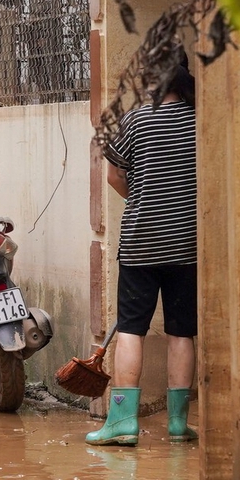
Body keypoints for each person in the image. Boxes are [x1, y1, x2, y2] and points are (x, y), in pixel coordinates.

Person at [86, 54, 198, 446]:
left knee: (132, 329)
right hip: (188, 244)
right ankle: (179, 424)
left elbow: (115, 172)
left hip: (141, 242)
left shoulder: (136, 120)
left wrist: (141, 197)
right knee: (182, 331)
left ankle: (122, 423)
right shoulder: (200, 120)